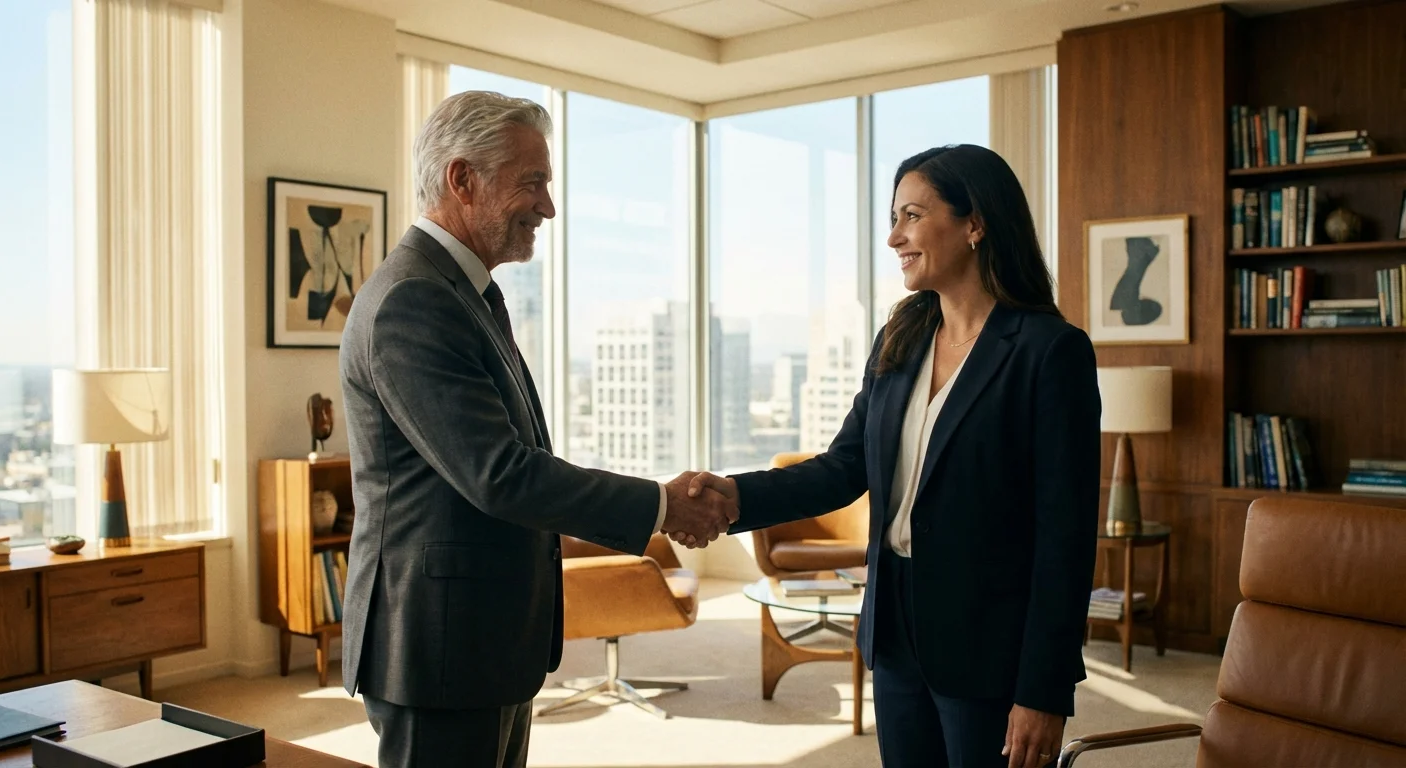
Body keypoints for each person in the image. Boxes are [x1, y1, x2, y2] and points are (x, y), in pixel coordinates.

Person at [337, 91, 737, 768]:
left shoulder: (465, 293)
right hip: (439, 645)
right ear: (463, 179)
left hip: (479, 639)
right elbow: (500, 474)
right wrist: (663, 505)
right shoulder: (415, 299)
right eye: (533, 182)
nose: (547, 207)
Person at [684, 144, 1101, 768]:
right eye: (893, 218)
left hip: (989, 642)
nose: (893, 237)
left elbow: (1064, 537)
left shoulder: (1049, 351)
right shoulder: (901, 338)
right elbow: (844, 467)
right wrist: (735, 495)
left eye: (911, 216)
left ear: (975, 223)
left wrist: (1043, 690)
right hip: (895, 629)